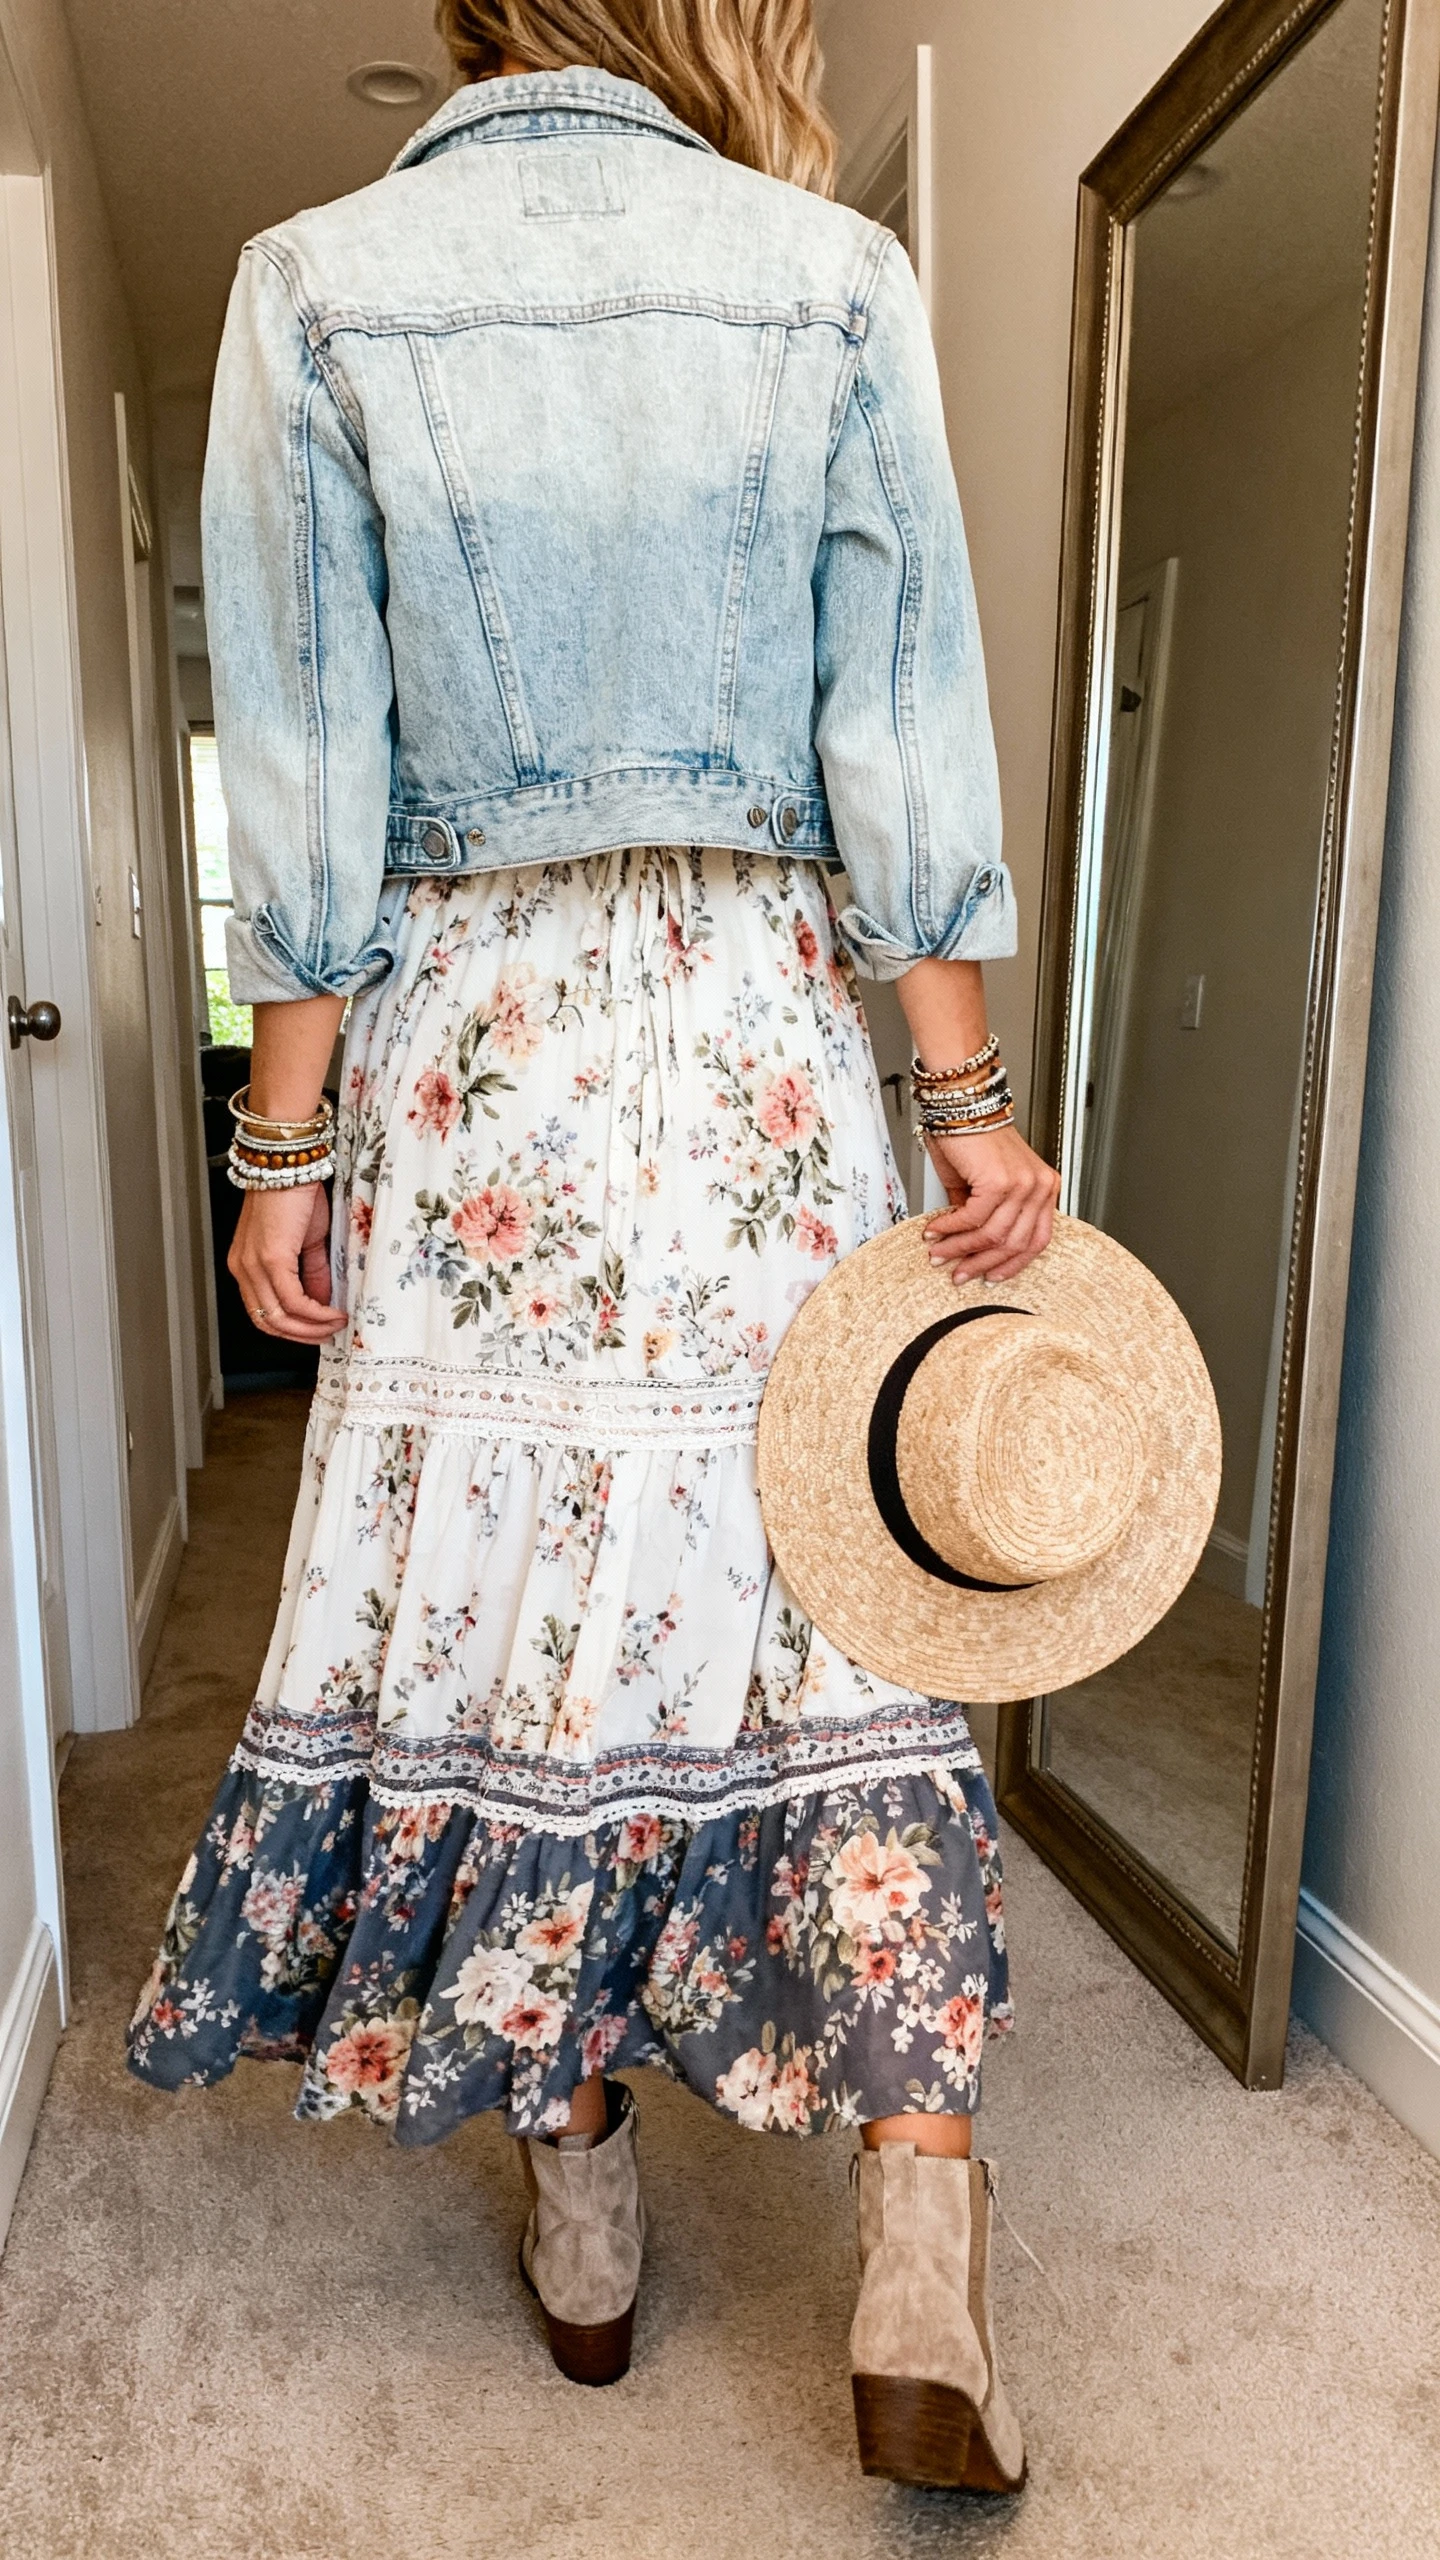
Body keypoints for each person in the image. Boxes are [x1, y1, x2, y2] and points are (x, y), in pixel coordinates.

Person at [128, 0, 1058, 2493]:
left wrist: (283, 1140)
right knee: (818, 1584)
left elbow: (307, 758)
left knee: (533, 1605)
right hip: (750, 1034)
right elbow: (906, 729)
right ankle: (925, 2218)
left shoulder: (314, 278)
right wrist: (959, 1102)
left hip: (488, 1051)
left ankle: (581, 2199)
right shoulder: (825, 274)